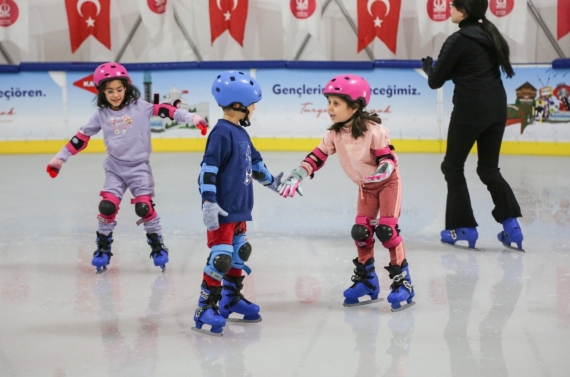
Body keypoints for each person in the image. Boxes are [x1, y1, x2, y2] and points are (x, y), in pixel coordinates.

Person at [46, 62, 208, 273]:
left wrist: (193, 118)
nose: (115, 95)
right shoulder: (101, 114)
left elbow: (167, 111)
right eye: (110, 91)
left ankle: (157, 244)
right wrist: (60, 159)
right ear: (102, 92)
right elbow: (81, 137)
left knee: (144, 208)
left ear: (126, 88)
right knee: (107, 207)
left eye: (119, 90)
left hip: (139, 168)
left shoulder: (139, 107)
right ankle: (103, 248)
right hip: (114, 168)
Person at [278, 74, 415, 312]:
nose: (329, 108)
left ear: (354, 106)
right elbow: (316, 157)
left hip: (387, 184)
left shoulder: (374, 131)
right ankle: (367, 281)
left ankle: (403, 282)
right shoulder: (335, 134)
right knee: (361, 231)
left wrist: (383, 170)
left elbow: (387, 158)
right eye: (329, 102)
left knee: (387, 230)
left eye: (336, 103)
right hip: (365, 187)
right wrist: (298, 174)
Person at [422, 0, 524, 251]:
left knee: (452, 166)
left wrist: (428, 66)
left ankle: (464, 227)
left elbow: (435, 81)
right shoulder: (490, 34)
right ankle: (511, 226)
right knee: (488, 169)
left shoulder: (458, 39)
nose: (449, 9)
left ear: (463, 11)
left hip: (470, 109)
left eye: (453, 5)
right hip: (497, 108)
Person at [192, 70, 283, 336]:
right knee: (221, 258)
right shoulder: (221, 133)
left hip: (240, 208)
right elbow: (207, 170)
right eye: (251, 104)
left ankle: (231, 300)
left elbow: (255, 163)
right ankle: (204, 307)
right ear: (237, 105)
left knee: (239, 253)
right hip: (222, 210)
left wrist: (274, 183)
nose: (254, 108)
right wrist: (208, 202)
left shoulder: (241, 133)